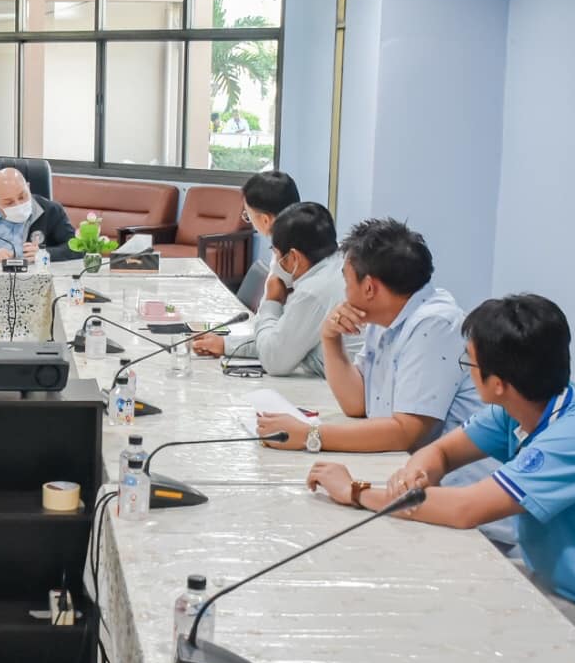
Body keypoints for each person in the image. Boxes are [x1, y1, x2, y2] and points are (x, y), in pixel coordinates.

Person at [306, 294, 575, 663]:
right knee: (438, 598)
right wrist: (418, 473)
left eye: (469, 363)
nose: (467, 370)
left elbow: (465, 509)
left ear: (498, 383)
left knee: (452, 646)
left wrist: (356, 492)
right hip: (553, 584)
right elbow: (442, 453)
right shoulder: (524, 405)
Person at [258, 217, 482, 460]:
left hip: (453, 478)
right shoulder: (385, 315)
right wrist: (330, 338)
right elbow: (356, 404)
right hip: (400, 464)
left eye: (346, 281)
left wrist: (309, 435)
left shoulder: (436, 325)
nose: (344, 292)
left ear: (369, 288)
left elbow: (407, 432)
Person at [192, 201, 351, 375]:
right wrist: (226, 345)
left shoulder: (313, 291)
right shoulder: (334, 265)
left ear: (294, 257)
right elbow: (282, 340)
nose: (275, 262)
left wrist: (272, 302)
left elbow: (274, 360)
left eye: (276, 253)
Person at [0, 166, 76, 262]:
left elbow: (76, 247)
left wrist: (44, 253)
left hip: (34, 275)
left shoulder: (52, 210)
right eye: (9, 202)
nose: (18, 205)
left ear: (28, 188)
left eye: (22, 197)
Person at [236, 170, 300, 309]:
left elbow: (273, 311)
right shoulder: (303, 242)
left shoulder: (287, 260)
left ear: (265, 220)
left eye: (248, 215)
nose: (248, 220)